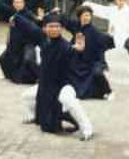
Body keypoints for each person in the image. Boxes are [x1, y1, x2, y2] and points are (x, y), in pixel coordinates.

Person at [15, 13, 93, 141]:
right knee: (26, 96)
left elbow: (72, 52)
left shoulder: (65, 46)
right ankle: (33, 116)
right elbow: (30, 27)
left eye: (57, 26)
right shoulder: (44, 40)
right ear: (45, 28)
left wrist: (78, 50)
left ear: (61, 28)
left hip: (65, 84)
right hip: (46, 85)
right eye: (51, 26)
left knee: (66, 98)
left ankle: (87, 128)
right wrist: (16, 17)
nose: (54, 29)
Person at [83, 0, 129, 80]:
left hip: (126, 36)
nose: (121, 2)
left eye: (123, 0)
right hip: (113, 36)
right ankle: (103, 65)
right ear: (115, 0)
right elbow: (100, 9)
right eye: (119, 0)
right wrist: (86, 4)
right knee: (98, 42)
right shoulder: (112, 10)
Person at [56, 5, 115, 100]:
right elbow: (65, 22)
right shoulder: (76, 26)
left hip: (92, 59)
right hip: (77, 57)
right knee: (64, 66)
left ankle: (108, 91)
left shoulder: (95, 31)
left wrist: (113, 36)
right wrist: (58, 13)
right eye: (84, 15)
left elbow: (106, 42)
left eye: (88, 15)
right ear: (80, 16)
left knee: (97, 73)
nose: (87, 18)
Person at [0, 0, 40, 84]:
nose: (17, 4)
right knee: (2, 59)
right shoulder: (13, 12)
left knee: (29, 59)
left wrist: (40, 19)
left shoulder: (28, 14)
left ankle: (41, 77)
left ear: (23, 3)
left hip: (27, 43)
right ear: (13, 3)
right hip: (15, 44)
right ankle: (8, 75)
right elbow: (4, 7)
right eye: (16, 2)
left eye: (19, 2)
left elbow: (37, 23)